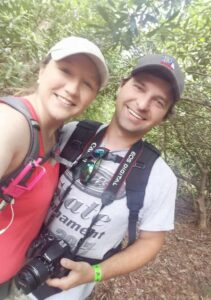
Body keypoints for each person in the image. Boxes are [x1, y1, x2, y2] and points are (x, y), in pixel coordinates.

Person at [26, 53, 185, 300]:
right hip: (14, 256)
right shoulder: (72, 133)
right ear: (121, 86)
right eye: (139, 88)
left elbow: (151, 241)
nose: (142, 104)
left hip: (66, 292)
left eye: (158, 101)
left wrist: (94, 273)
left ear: (164, 116)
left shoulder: (160, 177)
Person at [0, 36, 109, 299]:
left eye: (87, 84)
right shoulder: (12, 125)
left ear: (92, 97)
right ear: (42, 70)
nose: (72, 89)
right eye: (65, 71)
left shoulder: (56, 134)